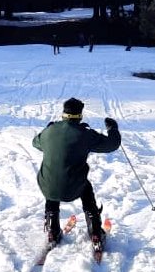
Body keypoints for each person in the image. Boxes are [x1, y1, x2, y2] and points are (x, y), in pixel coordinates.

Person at [32, 97, 121, 245]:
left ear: (63, 113)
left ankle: (53, 231)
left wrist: (48, 129)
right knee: (86, 188)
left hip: (47, 186)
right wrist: (113, 129)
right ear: (80, 115)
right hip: (74, 187)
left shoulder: (50, 131)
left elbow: (36, 142)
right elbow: (112, 144)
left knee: (53, 179)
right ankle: (95, 231)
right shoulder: (85, 134)